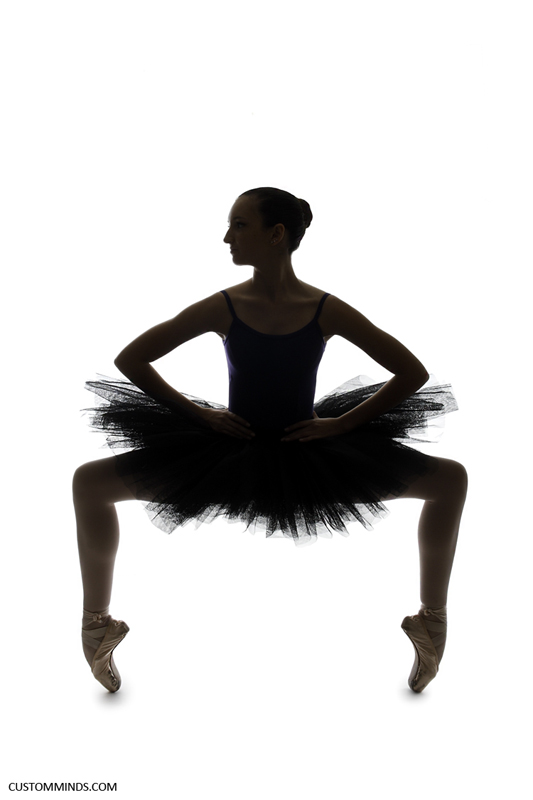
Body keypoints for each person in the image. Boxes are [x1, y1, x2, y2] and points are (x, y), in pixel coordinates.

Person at [73, 187, 467, 695]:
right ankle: (96, 625)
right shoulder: (224, 306)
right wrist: (200, 415)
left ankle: (431, 623)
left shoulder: (325, 309)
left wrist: (344, 424)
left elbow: (411, 372)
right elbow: (132, 358)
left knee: (450, 479)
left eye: (239, 225)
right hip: (227, 454)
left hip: (311, 454)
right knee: (90, 482)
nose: (226, 237)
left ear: (275, 234)